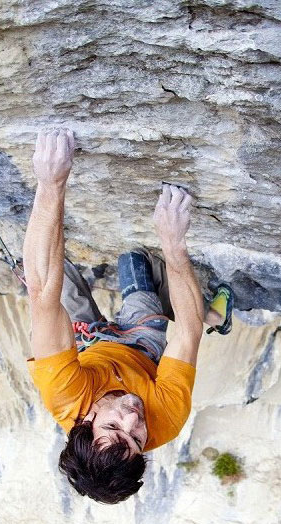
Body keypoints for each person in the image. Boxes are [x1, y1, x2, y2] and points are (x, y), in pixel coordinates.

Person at [25, 128, 232, 504]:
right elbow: (186, 334)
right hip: (141, 349)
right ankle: (212, 315)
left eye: (114, 428)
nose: (134, 419)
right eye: (137, 440)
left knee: (44, 282)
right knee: (135, 260)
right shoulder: (165, 419)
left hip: (91, 349)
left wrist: (51, 181)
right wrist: (173, 244)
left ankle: (205, 310)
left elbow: (43, 294)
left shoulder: (64, 395)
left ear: (84, 422)